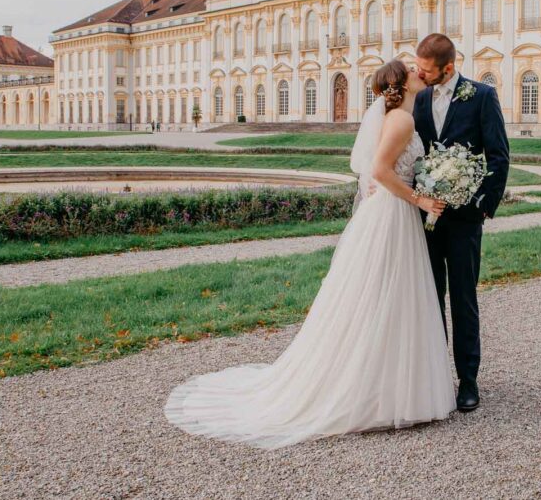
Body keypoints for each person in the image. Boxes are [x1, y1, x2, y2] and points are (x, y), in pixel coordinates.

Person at [165, 59, 455, 448]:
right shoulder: (401, 121)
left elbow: (382, 172)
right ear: (401, 84)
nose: (420, 72)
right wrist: (420, 199)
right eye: (412, 70)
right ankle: (382, 391)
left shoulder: (401, 116)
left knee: (385, 298)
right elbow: (383, 171)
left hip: (392, 212)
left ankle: (385, 386)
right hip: (393, 214)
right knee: (386, 295)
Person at [412, 33, 510, 413]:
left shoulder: (481, 96)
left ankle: (469, 381)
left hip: (466, 219)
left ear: (448, 68)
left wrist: (483, 206)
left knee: (464, 300)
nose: (419, 74)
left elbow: (499, 156)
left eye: (425, 69)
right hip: (424, 218)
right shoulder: (419, 98)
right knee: (429, 298)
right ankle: (436, 379)